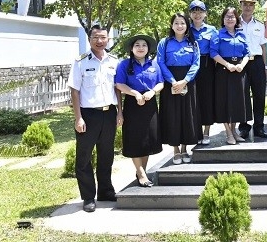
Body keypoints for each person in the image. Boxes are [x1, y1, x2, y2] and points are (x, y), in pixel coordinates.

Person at [68, 25, 123, 213]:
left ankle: (106, 191)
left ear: (108, 39)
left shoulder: (114, 61)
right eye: (95, 37)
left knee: (106, 155)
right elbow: (74, 90)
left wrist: (119, 112)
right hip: (88, 115)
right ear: (90, 39)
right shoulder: (80, 61)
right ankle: (88, 197)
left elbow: (118, 88)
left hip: (109, 113)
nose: (99, 41)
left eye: (103, 37)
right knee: (84, 158)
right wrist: (78, 118)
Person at [114, 34, 163, 188]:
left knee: (148, 138)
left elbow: (161, 82)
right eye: (137, 45)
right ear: (132, 48)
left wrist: (153, 91)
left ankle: (143, 169)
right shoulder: (124, 64)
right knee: (135, 138)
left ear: (148, 49)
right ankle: (140, 173)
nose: (141, 48)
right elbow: (119, 84)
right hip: (132, 104)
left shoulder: (154, 65)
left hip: (149, 104)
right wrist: (135, 93)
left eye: (144, 45)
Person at [157, 12, 202, 165]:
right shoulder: (164, 42)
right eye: (176, 23)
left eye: (182, 23)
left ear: (187, 25)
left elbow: (196, 63)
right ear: (172, 25)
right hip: (171, 82)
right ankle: (175, 150)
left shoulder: (193, 42)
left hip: (188, 81)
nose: (179, 26)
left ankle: (184, 148)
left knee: (187, 115)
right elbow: (161, 62)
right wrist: (172, 81)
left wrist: (185, 80)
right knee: (173, 116)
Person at [211, 7, 251, 145]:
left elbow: (247, 53)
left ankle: (234, 131)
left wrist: (242, 65)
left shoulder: (241, 35)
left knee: (236, 103)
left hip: (239, 71)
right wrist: (228, 65)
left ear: (236, 19)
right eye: (227, 16)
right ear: (223, 19)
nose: (230, 19)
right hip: (223, 71)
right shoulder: (218, 34)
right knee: (224, 103)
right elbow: (213, 53)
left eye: (232, 16)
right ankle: (228, 133)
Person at [237, 0, 267, 139]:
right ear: (240, 5)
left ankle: (259, 127)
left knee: (259, 95)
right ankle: (243, 127)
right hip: (240, 64)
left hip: (256, 62)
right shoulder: (235, 24)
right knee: (242, 96)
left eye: (251, 4)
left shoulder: (260, 25)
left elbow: (263, 47)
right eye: (245, 4)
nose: (248, 7)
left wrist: (264, 65)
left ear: (254, 6)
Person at [189, 0, 218, 145]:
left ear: (205, 14)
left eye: (200, 12)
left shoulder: (212, 30)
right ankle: (196, 132)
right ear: (190, 14)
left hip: (207, 66)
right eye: (194, 12)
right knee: (193, 100)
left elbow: (215, 50)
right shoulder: (186, 29)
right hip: (190, 67)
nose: (197, 15)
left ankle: (206, 132)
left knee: (207, 99)